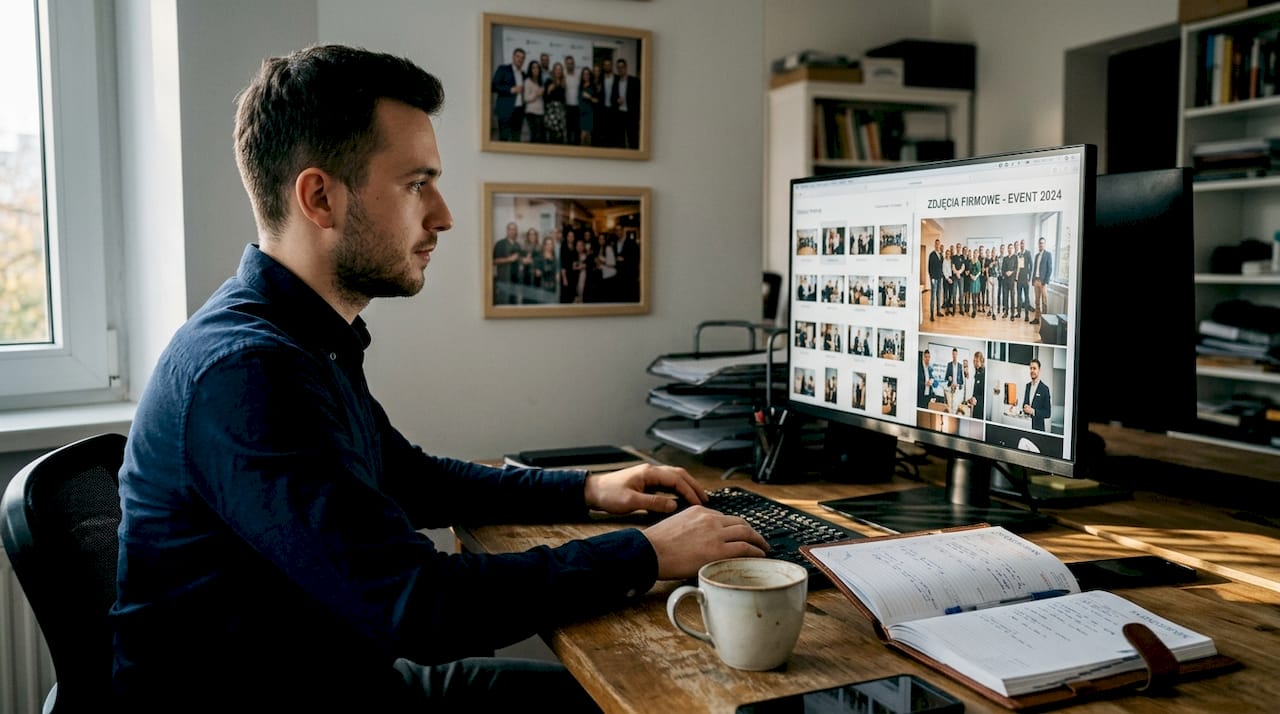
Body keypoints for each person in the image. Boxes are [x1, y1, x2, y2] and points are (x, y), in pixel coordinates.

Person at [110, 45, 769, 713]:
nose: (443, 215)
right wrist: (645, 555)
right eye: (415, 184)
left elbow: (411, 480)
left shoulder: (303, 339)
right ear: (320, 198)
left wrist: (592, 489)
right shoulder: (247, 372)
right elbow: (420, 606)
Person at [490, 46, 525, 142]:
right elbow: (493, 86)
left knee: (516, 140)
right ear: (513, 57)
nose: (520, 59)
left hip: (519, 112)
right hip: (505, 110)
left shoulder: (523, 74)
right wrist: (510, 90)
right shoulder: (503, 69)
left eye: (522, 58)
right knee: (504, 138)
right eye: (518, 56)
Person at [492, 221, 524, 304]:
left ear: (516, 231)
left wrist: (523, 261)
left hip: (515, 280)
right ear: (507, 230)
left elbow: (519, 259)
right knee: (504, 301)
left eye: (514, 229)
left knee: (514, 302)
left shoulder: (517, 245)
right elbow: (494, 261)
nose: (512, 231)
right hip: (504, 279)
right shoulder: (500, 244)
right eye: (510, 229)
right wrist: (509, 259)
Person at [613, 59, 640, 149]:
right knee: (620, 139)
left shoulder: (634, 81)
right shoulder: (615, 81)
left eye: (622, 67)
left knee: (633, 138)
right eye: (618, 67)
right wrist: (616, 100)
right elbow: (613, 97)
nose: (620, 69)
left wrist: (639, 116)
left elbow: (639, 99)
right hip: (619, 114)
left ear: (626, 67)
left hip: (631, 114)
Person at [1021, 357, 1052, 431]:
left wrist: (1033, 411)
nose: (1032, 370)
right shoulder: (1027, 386)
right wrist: (1024, 406)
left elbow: (1047, 413)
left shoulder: (1045, 389)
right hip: (1026, 426)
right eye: (1031, 368)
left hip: (1038, 429)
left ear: (1039, 370)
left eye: (1034, 368)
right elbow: (1025, 404)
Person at [522, 60, 546, 143]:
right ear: (530, 70)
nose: (536, 69)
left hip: (540, 112)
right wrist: (536, 94)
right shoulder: (527, 81)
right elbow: (526, 98)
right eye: (533, 68)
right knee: (536, 137)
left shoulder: (540, 81)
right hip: (531, 113)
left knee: (541, 137)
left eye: (537, 68)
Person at [1030, 236, 1053, 325]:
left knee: (1044, 301)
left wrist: (1045, 281)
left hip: (1043, 282)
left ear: (1045, 244)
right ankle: (1037, 318)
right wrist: (1033, 280)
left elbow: (1050, 269)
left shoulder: (1048, 254)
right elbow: (1035, 268)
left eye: (1042, 243)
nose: (1041, 245)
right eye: (1040, 243)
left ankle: (1045, 321)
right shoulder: (1036, 256)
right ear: (1038, 244)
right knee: (1037, 301)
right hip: (1036, 281)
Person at [563, 54, 581, 145]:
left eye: (571, 63)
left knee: (577, 130)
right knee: (568, 130)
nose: (570, 65)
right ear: (565, 64)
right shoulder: (563, 76)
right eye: (568, 63)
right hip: (567, 107)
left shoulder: (578, 76)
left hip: (577, 107)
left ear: (574, 64)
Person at [577, 67, 597, 146]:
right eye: (584, 74)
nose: (586, 76)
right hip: (581, 114)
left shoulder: (593, 86)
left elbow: (597, 101)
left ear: (590, 75)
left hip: (589, 114)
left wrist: (589, 97)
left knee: (585, 136)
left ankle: (587, 151)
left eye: (587, 74)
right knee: (583, 137)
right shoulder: (581, 86)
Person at [967, 351, 987, 419]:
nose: (975, 363)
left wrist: (976, 399)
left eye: (977, 361)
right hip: (975, 407)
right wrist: (971, 400)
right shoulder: (977, 373)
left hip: (980, 409)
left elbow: (984, 394)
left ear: (981, 361)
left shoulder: (984, 374)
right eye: (974, 361)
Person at [927, 238, 943, 321]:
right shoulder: (932, 255)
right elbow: (929, 268)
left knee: (939, 295)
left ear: (940, 245)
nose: (937, 245)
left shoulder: (941, 255)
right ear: (935, 245)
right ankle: (932, 315)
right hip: (934, 279)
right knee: (933, 296)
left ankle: (938, 311)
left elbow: (942, 267)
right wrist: (932, 278)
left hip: (940, 278)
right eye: (936, 244)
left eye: (938, 244)